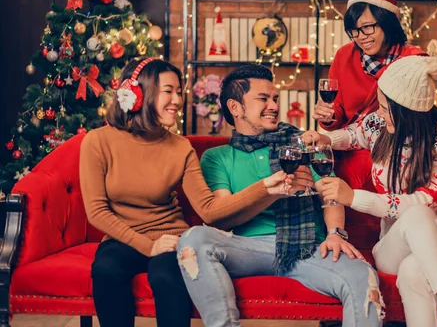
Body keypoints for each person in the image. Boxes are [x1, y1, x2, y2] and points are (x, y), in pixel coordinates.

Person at [80, 58, 295, 327]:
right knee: (106, 270)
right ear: (138, 93)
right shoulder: (98, 141)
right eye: (168, 91)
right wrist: (149, 246)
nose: (177, 100)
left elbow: (209, 209)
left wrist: (263, 188)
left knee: (167, 278)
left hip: (171, 238)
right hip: (122, 239)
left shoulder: (181, 148)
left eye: (179, 92)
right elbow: (96, 212)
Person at [177, 64, 385, 327]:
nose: (274, 105)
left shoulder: (301, 142)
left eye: (274, 98)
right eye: (263, 99)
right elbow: (223, 217)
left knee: (362, 274)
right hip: (247, 248)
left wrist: (335, 233)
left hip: (306, 248)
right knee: (194, 240)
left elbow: (329, 191)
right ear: (235, 107)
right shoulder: (217, 157)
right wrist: (271, 191)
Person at [308, 56, 437, 327]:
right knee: (416, 220)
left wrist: (354, 197)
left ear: (408, 111)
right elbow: (355, 134)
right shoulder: (382, 126)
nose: (378, 114)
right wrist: (326, 139)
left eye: (384, 108)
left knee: (415, 267)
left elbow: (426, 201)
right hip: (396, 243)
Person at [312, 0, 426, 192]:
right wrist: (327, 116)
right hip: (346, 148)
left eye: (368, 28)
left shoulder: (413, 59)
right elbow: (337, 109)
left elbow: (416, 119)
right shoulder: (344, 55)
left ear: (387, 23)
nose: (360, 37)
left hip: (393, 152)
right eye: (354, 31)